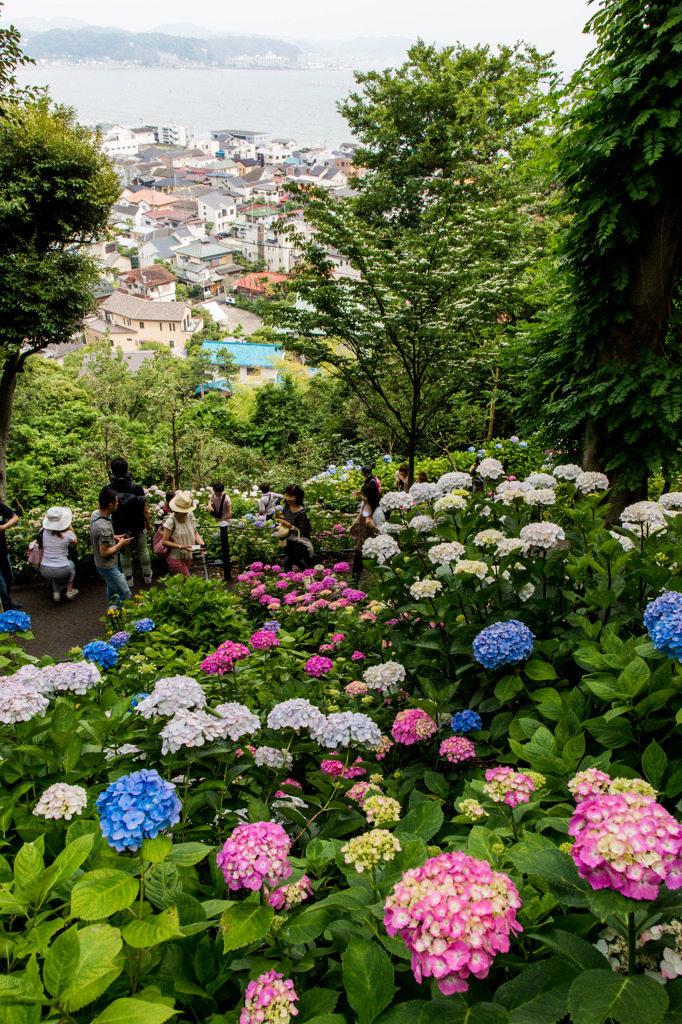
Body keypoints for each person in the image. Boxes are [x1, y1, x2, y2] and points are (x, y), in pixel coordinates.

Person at [108, 457, 152, 587]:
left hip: (119, 527)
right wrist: (148, 524)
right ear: (127, 470)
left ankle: (128, 578)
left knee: (124, 553)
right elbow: (145, 510)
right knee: (143, 550)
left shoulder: (109, 489)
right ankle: (147, 575)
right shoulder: (136, 488)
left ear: (112, 471)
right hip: (138, 525)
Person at [90, 487, 133, 607]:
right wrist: (120, 544)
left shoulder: (95, 516)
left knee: (113, 591)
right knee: (125, 593)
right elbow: (104, 552)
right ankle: (117, 615)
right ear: (110, 505)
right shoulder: (104, 527)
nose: (118, 503)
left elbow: (93, 532)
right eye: (116, 502)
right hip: (108, 567)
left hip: (101, 564)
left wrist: (112, 537)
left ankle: (113, 616)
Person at [39, 506, 79, 603]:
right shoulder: (68, 535)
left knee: (54, 570)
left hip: (44, 569)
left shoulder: (43, 532)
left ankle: (56, 592)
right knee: (71, 565)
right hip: (62, 569)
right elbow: (74, 544)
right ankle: (69, 592)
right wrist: (70, 526)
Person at [162, 491, 205, 577]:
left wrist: (201, 545)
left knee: (182, 582)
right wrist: (181, 546)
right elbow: (165, 541)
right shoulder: (171, 521)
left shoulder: (190, 515)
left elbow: (195, 533)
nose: (186, 512)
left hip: (187, 554)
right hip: (175, 556)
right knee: (186, 579)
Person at [349, 481, 386, 580]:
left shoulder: (378, 512)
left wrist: (373, 527)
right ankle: (353, 588)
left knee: (376, 570)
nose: (362, 497)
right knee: (356, 569)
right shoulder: (364, 504)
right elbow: (360, 516)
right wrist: (352, 527)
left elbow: (383, 532)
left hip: (373, 547)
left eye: (363, 495)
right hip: (361, 543)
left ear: (369, 496)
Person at [276, 485, 313, 570]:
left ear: (297, 497)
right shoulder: (287, 506)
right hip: (288, 538)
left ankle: (306, 574)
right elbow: (287, 518)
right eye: (287, 495)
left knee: (291, 560)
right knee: (289, 560)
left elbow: (301, 531)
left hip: (299, 540)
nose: (288, 498)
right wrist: (279, 516)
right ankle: (293, 577)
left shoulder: (301, 512)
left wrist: (289, 526)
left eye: (291, 496)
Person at [0, 497, 22, 610]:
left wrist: (3, 527)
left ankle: (7, 599)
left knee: (8, 576)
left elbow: (15, 517)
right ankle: (6, 604)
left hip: (2, 550)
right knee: (1, 582)